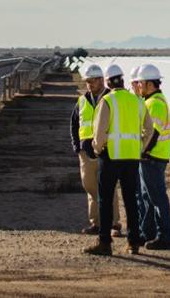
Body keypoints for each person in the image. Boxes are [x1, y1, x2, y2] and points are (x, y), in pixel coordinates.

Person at [83, 63, 153, 256]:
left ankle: (104, 243)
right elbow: (149, 129)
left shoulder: (107, 101)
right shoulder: (137, 101)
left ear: (107, 81)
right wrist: (139, 148)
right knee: (131, 200)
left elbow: (99, 132)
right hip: (131, 158)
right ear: (122, 79)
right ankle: (133, 242)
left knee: (105, 200)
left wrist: (97, 150)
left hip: (110, 157)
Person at [69, 64, 121, 236]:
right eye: (87, 81)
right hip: (86, 152)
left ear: (101, 80)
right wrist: (77, 147)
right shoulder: (82, 100)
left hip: (107, 151)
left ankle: (114, 224)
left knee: (109, 187)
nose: (89, 84)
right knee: (90, 186)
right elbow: (74, 124)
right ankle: (96, 223)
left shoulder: (111, 98)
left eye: (92, 81)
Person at [135, 63, 170, 250]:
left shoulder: (154, 103)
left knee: (157, 198)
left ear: (150, 84)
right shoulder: (152, 101)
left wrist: (142, 152)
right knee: (148, 198)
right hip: (153, 157)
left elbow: (153, 134)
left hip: (153, 158)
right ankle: (148, 233)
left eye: (141, 83)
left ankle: (165, 236)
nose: (138, 86)